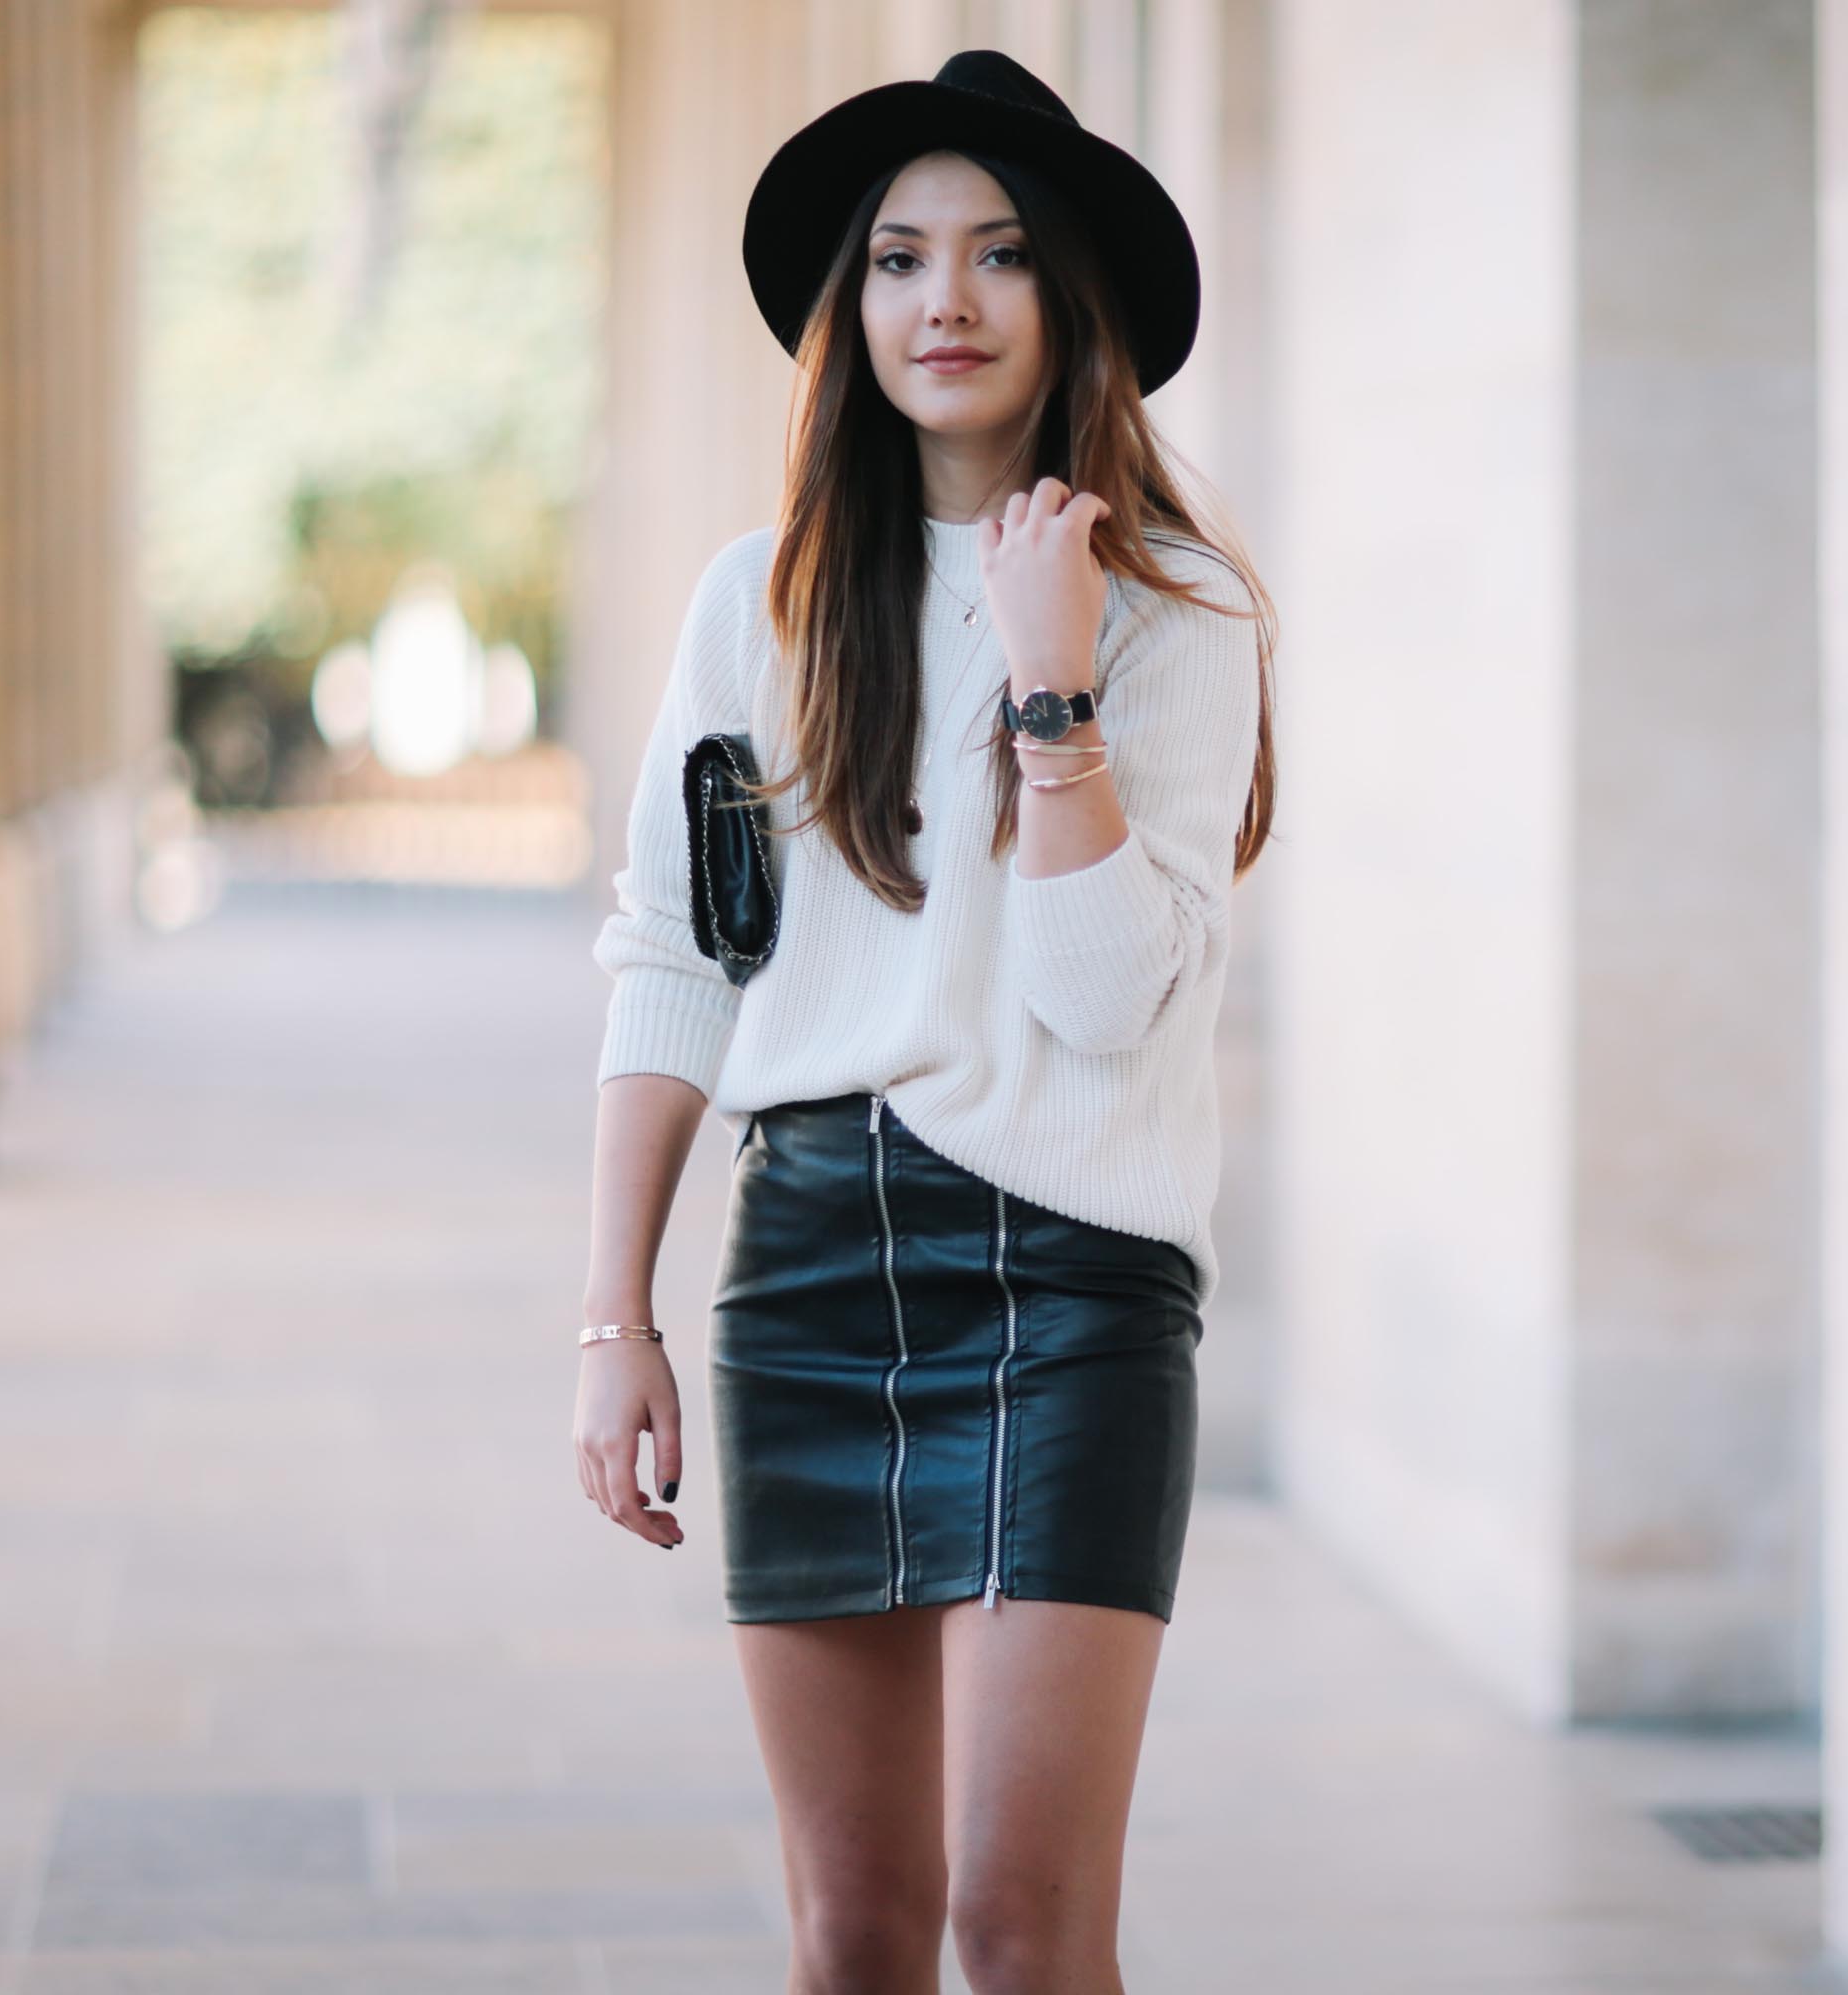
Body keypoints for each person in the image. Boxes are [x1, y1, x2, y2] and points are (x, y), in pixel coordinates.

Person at [568, 50, 1273, 1995]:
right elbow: (675, 956)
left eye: (997, 257)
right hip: (803, 1273)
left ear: (1070, 309)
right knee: (854, 1934)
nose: (942, 300)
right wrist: (615, 1317)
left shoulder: (1177, 611)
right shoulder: (760, 603)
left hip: (1072, 1286)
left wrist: (1054, 694)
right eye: (895, 259)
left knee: (1025, 1935)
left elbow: (1100, 1000)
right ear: (849, 308)